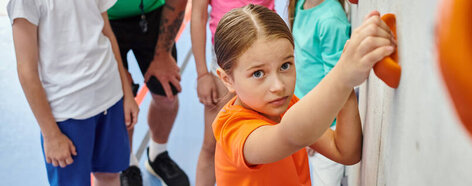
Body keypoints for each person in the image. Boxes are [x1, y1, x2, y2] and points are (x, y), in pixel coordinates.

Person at [210, 5, 396, 185]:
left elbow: (346, 152)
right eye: (258, 73)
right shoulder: (232, 128)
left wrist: (346, 84)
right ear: (227, 80)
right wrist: (342, 75)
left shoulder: (284, 103)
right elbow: (289, 135)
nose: (278, 86)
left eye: (285, 66)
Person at [9, 0, 139, 185]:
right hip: (68, 113)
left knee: (110, 175)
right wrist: (51, 135)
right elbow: (26, 71)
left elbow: (107, 33)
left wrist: (126, 94)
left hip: (110, 98)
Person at [189, 0, 274, 185]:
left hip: (265, 55)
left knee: (266, 143)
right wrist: (202, 74)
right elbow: (198, 15)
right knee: (212, 143)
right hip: (226, 60)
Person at [107, 0, 190, 185]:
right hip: (103, 18)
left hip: (153, 13)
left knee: (167, 93)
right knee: (118, 100)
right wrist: (118, 71)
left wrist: (163, 54)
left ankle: (158, 154)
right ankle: (127, 164)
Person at [288, 0, 350, 184]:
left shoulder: (330, 19)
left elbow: (337, 82)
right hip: (303, 117)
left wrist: (316, 128)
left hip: (326, 125)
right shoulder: (301, 4)